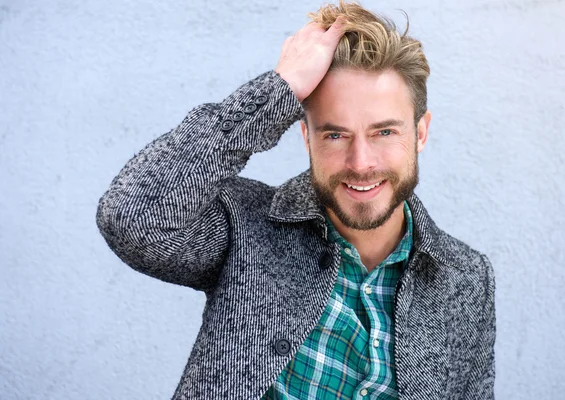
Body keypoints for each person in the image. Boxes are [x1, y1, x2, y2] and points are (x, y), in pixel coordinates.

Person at [96, 1, 496, 399]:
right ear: (306, 137)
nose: (361, 163)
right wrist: (279, 88)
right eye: (335, 135)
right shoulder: (246, 226)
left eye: (384, 132)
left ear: (420, 133)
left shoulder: (466, 278)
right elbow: (131, 218)